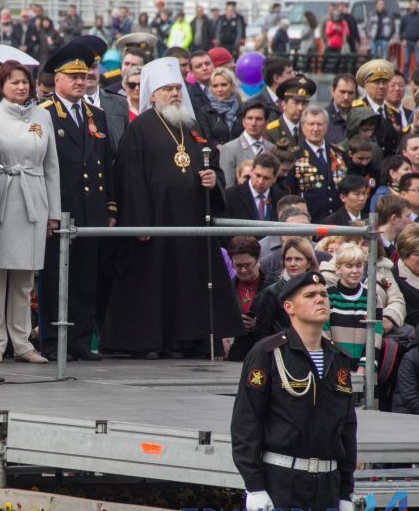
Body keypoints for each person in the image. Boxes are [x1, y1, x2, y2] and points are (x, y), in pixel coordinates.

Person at [102, 57, 244, 359]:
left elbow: (213, 165)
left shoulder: (191, 127)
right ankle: (151, 342)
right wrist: (139, 221)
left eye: (178, 88)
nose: (175, 94)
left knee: (188, 284)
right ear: (153, 95)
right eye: (168, 89)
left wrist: (213, 180)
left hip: (191, 222)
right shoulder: (140, 128)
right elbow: (129, 177)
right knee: (154, 284)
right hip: (155, 223)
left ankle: (186, 341)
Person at [231, 271, 356, 511]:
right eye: (310, 295)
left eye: (323, 294)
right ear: (289, 307)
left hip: (327, 487)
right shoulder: (268, 353)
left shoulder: (339, 359)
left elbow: (347, 430)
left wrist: (345, 492)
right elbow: (246, 423)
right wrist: (254, 486)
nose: (320, 299)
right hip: (281, 484)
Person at [0, 61, 60, 364]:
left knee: (26, 277)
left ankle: (23, 343)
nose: (22, 87)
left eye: (25, 82)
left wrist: (54, 211)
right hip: (2, 196)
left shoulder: (42, 115)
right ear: (1, 86)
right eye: (14, 82)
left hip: (33, 198)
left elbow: (51, 166)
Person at [37, 43, 115, 362]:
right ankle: (53, 341)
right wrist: (48, 211)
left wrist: (110, 206)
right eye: (74, 77)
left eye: (84, 76)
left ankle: (80, 340)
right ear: (57, 79)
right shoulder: (43, 113)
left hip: (91, 207)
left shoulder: (96, 115)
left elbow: (106, 163)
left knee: (85, 279)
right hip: (61, 207)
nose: (81, 82)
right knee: (56, 280)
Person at [320, 243, 388, 374]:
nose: (355, 271)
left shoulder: (372, 297)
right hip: (334, 370)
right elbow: (324, 336)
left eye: (359, 265)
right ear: (338, 268)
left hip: (365, 371)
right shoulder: (328, 296)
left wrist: (363, 368)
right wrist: (338, 368)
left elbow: (376, 336)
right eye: (349, 266)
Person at [286, 104, 348, 222]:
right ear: (303, 127)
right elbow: (291, 192)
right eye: (311, 124)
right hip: (310, 221)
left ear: (326, 127)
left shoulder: (339, 154)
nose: (315, 129)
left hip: (338, 221)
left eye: (319, 124)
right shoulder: (294, 156)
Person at [252, 237, 320, 341]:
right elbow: (262, 334)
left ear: (309, 263)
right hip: (281, 347)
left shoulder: (319, 290)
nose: (292, 264)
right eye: (288, 259)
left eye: (298, 259)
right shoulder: (272, 292)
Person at [227, 236, 270, 362]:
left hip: (264, 355)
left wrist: (258, 323)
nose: (243, 270)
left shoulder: (272, 287)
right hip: (234, 356)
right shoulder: (225, 289)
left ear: (258, 259)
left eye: (247, 265)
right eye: (238, 265)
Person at [219, 99, 274, 186]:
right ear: (243, 121)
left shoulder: (272, 149)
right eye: (249, 118)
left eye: (258, 119)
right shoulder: (230, 149)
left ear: (266, 123)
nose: (253, 123)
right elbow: (227, 186)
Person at [353, 59, 399, 158]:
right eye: (376, 82)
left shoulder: (394, 114)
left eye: (385, 82)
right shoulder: (356, 110)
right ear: (366, 85)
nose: (381, 86)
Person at [224, 152, 286, 224]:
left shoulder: (281, 198)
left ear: (275, 179)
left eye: (266, 178)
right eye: (258, 175)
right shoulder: (230, 196)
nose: (260, 181)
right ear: (251, 172)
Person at [198, 67, 243, 150]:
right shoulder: (205, 112)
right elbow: (207, 138)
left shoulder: (243, 109)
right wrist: (222, 149)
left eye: (224, 85)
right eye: (215, 86)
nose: (219, 89)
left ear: (232, 86)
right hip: (217, 155)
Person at [264, 74, 314, 148]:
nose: (300, 108)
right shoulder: (271, 131)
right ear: (284, 104)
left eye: (304, 103)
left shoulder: (312, 129)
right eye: (296, 103)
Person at [255, 57, 294, 124]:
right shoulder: (256, 104)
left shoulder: (294, 99)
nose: (294, 76)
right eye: (289, 73)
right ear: (277, 78)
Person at [326, 73, 358, 147]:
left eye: (350, 93)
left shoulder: (359, 118)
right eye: (342, 92)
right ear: (332, 91)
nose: (346, 97)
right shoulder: (323, 117)